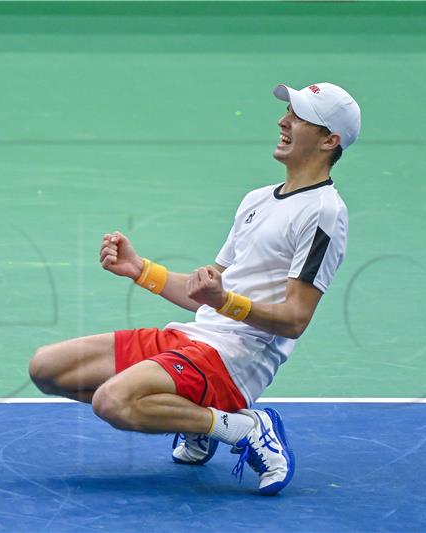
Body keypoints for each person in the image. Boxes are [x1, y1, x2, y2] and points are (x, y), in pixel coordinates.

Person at [29, 82, 360, 496]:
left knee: (113, 402)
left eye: (299, 116)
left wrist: (226, 302)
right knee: (48, 368)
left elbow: (294, 319)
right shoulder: (257, 200)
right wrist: (140, 270)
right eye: (288, 112)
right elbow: (204, 292)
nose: (283, 120)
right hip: (191, 338)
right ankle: (196, 417)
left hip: (236, 358)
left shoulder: (324, 213)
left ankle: (242, 427)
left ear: (330, 140)